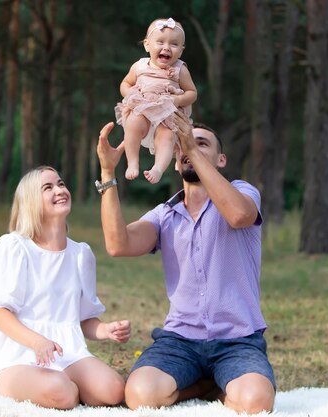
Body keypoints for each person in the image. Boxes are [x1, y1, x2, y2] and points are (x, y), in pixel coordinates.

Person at [95, 112, 276, 414]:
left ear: (221, 160)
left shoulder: (243, 192)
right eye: (183, 145)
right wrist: (107, 173)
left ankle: (220, 382)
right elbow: (118, 244)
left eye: (202, 144)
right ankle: (209, 386)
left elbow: (239, 216)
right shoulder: (165, 214)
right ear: (176, 161)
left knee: (256, 403)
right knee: (140, 394)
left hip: (238, 341)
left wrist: (189, 145)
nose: (190, 147)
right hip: (179, 341)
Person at [0, 166, 131, 410]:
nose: (60, 190)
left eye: (61, 184)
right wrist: (37, 342)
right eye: (48, 187)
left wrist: (106, 329)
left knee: (113, 390)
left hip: (66, 351)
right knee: (61, 392)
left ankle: (63, 385)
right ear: (31, 201)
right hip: (16, 351)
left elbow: (84, 319)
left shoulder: (80, 254)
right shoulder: (15, 247)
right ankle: (6, 383)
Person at [115, 17, 197, 185]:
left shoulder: (180, 69)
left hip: (167, 115)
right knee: (132, 123)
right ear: (147, 45)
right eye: (160, 42)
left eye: (174, 44)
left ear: (181, 51)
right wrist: (129, 92)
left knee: (166, 136)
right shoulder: (139, 66)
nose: (166, 47)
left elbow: (192, 93)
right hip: (143, 110)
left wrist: (179, 99)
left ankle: (158, 168)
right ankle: (132, 162)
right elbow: (125, 83)